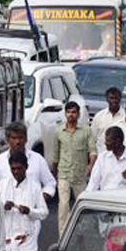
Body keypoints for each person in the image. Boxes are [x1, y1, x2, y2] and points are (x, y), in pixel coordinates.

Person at [0, 152, 47, 251]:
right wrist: (3, 207)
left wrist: (29, 211)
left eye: (19, 168)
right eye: (13, 169)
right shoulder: (1, 186)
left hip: (26, 242)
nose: (16, 172)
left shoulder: (34, 187)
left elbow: (44, 212)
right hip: (6, 241)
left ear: (26, 167)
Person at [0, 122, 56, 207]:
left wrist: (40, 200)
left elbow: (50, 183)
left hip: (31, 214)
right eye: (14, 138)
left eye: (20, 138)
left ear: (26, 139)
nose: (17, 142)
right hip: (5, 215)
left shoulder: (37, 159)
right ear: (7, 140)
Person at [48, 100, 89, 234]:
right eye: (69, 112)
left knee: (82, 205)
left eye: (74, 112)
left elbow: (92, 151)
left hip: (80, 174)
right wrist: (55, 172)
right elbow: (55, 154)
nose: (71, 115)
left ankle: (80, 235)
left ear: (78, 114)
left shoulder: (86, 131)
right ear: (65, 114)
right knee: (64, 206)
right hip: (64, 173)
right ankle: (63, 237)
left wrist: (90, 166)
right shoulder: (59, 131)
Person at [88, 87, 123, 161]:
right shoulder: (99, 116)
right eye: (111, 98)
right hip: (101, 158)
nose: (114, 101)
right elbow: (92, 139)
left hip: (120, 158)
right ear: (107, 99)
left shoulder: (125, 117)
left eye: (116, 98)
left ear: (120, 99)